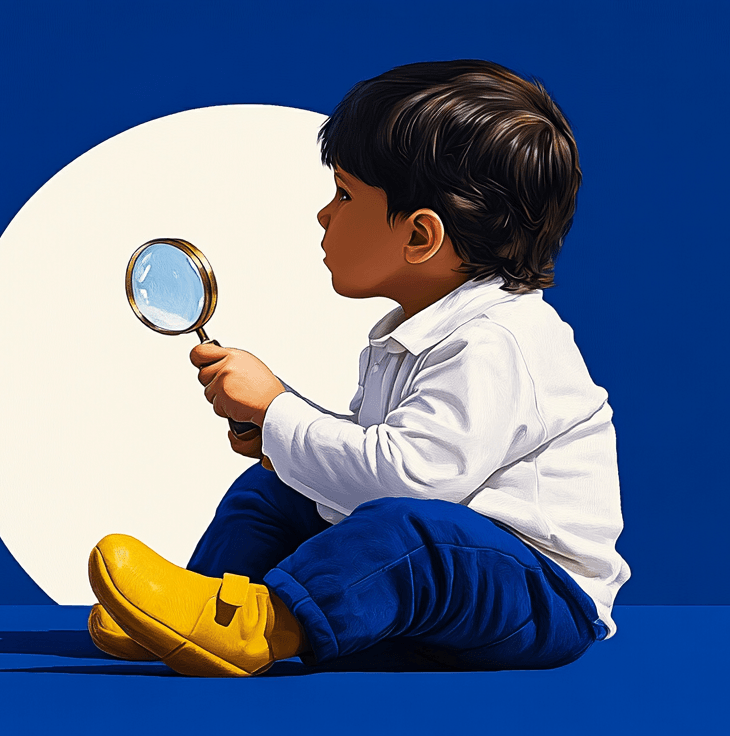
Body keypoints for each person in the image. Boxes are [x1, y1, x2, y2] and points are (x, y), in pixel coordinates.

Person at [85, 60, 630, 677]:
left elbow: (410, 484)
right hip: (456, 578)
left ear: (421, 236)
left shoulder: (498, 341)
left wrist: (275, 410)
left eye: (345, 194)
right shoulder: (420, 332)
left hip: (540, 597)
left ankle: (260, 626)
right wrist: (279, 432)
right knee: (276, 488)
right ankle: (204, 601)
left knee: (409, 534)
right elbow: (379, 456)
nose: (324, 214)